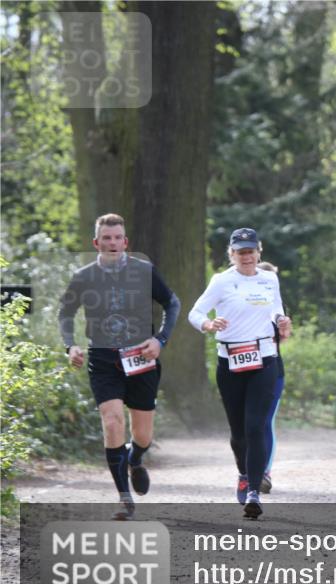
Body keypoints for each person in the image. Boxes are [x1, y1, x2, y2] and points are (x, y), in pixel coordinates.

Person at [58, 213, 181, 520]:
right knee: (112, 422)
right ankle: (124, 497)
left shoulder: (144, 270)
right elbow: (65, 312)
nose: (112, 243)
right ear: (96, 242)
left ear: (125, 242)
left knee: (142, 434)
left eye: (117, 238)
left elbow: (172, 303)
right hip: (102, 359)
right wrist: (70, 345)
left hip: (142, 356)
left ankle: (136, 459)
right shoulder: (84, 276)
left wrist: (160, 340)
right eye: (106, 238)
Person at [188, 229, 291, 518]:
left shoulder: (269, 279)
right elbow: (195, 313)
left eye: (251, 251)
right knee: (238, 432)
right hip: (230, 362)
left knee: (257, 425)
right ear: (231, 254)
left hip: (265, 359)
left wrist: (280, 320)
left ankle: (254, 491)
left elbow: (275, 309)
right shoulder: (221, 281)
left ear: (259, 252)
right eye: (240, 252)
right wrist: (208, 325)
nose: (246, 257)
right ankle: (244, 474)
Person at [256, 261, 283, 494]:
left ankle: (264, 471)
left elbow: (282, 336)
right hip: (241, 372)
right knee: (246, 423)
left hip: (273, 371)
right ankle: (247, 469)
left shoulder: (278, 310)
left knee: (265, 421)